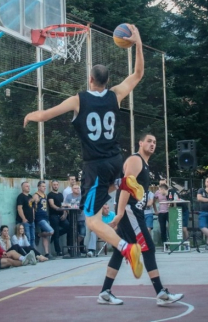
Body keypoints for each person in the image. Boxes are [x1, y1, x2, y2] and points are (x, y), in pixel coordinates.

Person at [24, 24, 145, 278]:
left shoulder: (78, 100)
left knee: (91, 220)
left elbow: (46, 115)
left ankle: (127, 249)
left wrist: (30, 116)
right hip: (115, 159)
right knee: (107, 190)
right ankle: (124, 182)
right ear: (107, 81)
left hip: (95, 166)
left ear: (90, 79)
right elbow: (137, 74)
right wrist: (138, 43)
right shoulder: (116, 95)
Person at [98, 133, 183, 306]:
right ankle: (160, 292)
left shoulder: (143, 164)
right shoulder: (136, 160)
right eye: (149, 141)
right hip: (130, 212)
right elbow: (125, 187)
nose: (152, 144)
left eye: (155, 142)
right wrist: (120, 213)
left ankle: (105, 292)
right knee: (149, 248)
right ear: (140, 143)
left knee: (121, 250)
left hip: (133, 212)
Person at [47, 180, 70, 257]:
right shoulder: (50, 195)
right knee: (56, 233)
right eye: (54, 185)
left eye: (57, 184)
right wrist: (59, 209)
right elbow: (52, 205)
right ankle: (58, 251)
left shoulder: (60, 194)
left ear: (58, 185)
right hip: (53, 216)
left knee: (68, 227)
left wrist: (64, 213)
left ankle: (54, 236)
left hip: (61, 216)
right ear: (51, 185)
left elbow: (63, 205)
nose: (55, 186)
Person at [64, 184, 87, 256]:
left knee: (82, 234)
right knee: (72, 234)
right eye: (75, 188)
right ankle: (73, 248)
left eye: (78, 188)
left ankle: (75, 245)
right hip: (72, 218)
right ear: (72, 189)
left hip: (81, 218)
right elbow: (64, 204)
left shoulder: (82, 196)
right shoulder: (69, 196)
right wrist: (67, 206)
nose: (77, 189)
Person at [33, 181, 54, 257]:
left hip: (45, 216)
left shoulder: (45, 195)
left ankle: (47, 253)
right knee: (51, 231)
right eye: (42, 186)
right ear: (38, 187)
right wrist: (34, 216)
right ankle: (38, 234)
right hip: (40, 217)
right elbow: (33, 207)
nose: (44, 188)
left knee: (46, 236)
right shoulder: (36, 195)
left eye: (45, 186)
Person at [15, 181, 36, 248]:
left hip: (31, 221)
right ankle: (28, 253)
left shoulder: (30, 196)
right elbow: (19, 208)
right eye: (26, 186)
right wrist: (23, 218)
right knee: (27, 238)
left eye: (29, 186)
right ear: (22, 188)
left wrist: (33, 217)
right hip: (25, 221)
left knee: (33, 237)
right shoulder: (20, 197)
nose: (28, 187)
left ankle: (33, 253)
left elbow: (32, 208)